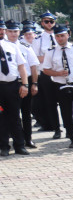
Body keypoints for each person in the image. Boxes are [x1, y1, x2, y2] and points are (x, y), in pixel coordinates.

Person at [42, 24, 73, 148]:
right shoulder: (51, 52)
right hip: (61, 84)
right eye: (58, 36)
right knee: (66, 113)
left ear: (68, 35)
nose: (60, 38)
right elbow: (46, 69)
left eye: (62, 35)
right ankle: (72, 138)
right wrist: (58, 73)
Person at [0, 20, 30, 156]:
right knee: (1, 117)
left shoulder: (12, 46)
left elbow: (21, 67)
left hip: (12, 86)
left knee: (15, 117)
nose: (1, 32)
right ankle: (4, 147)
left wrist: (24, 85)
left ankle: (20, 146)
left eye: (2, 29)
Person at [31, 12, 60, 139]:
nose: (49, 24)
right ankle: (56, 128)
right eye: (46, 21)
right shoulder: (38, 39)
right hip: (46, 74)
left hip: (60, 73)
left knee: (65, 102)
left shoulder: (60, 35)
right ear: (42, 23)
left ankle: (68, 128)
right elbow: (35, 57)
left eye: (51, 21)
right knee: (50, 102)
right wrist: (50, 57)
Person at [17, 25, 38, 148]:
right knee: (12, 113)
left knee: (26, 112)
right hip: (11, 82)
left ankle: (28, 138)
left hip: (26, 81)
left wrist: (34, 83)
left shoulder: (26, 48)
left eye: (15, 31)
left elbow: (33, 67)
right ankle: (17, 139)